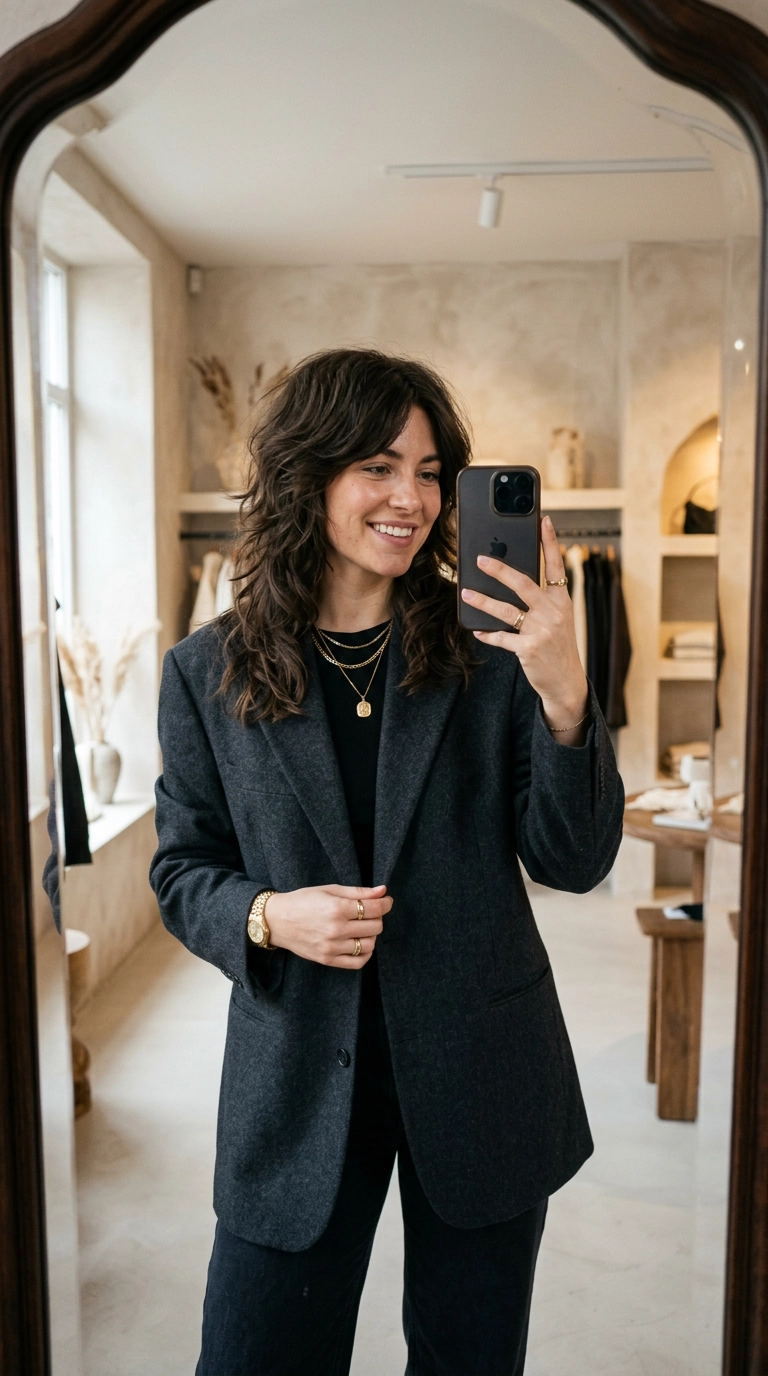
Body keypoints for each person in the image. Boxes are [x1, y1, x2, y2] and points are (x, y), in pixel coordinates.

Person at [150, 348, 623, 1376]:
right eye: (377, 465)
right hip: (296, 1080)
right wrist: (270, 915)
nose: (409, 497)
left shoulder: (494, 651)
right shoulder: (205, 673)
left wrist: (566, 696)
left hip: (482, 1066)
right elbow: (183, 867)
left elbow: (575, 860)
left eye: (426, 469)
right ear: (306, 474)